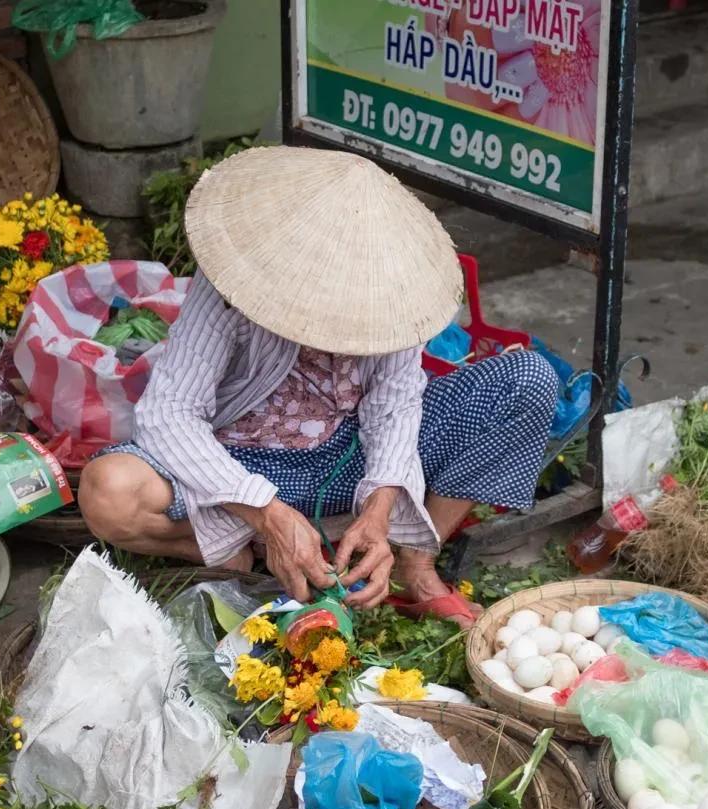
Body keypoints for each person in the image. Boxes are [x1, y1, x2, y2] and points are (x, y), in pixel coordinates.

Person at [79, 146, 558, 625]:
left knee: (527, 380)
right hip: (237, 461)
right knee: (109, 491)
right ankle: (246, 546)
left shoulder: (392, 289)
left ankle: (414, 564)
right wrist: (266, 513)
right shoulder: (237, 280)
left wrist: (379, 508)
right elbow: (170, 413)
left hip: (344, 460)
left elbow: (394, 407)